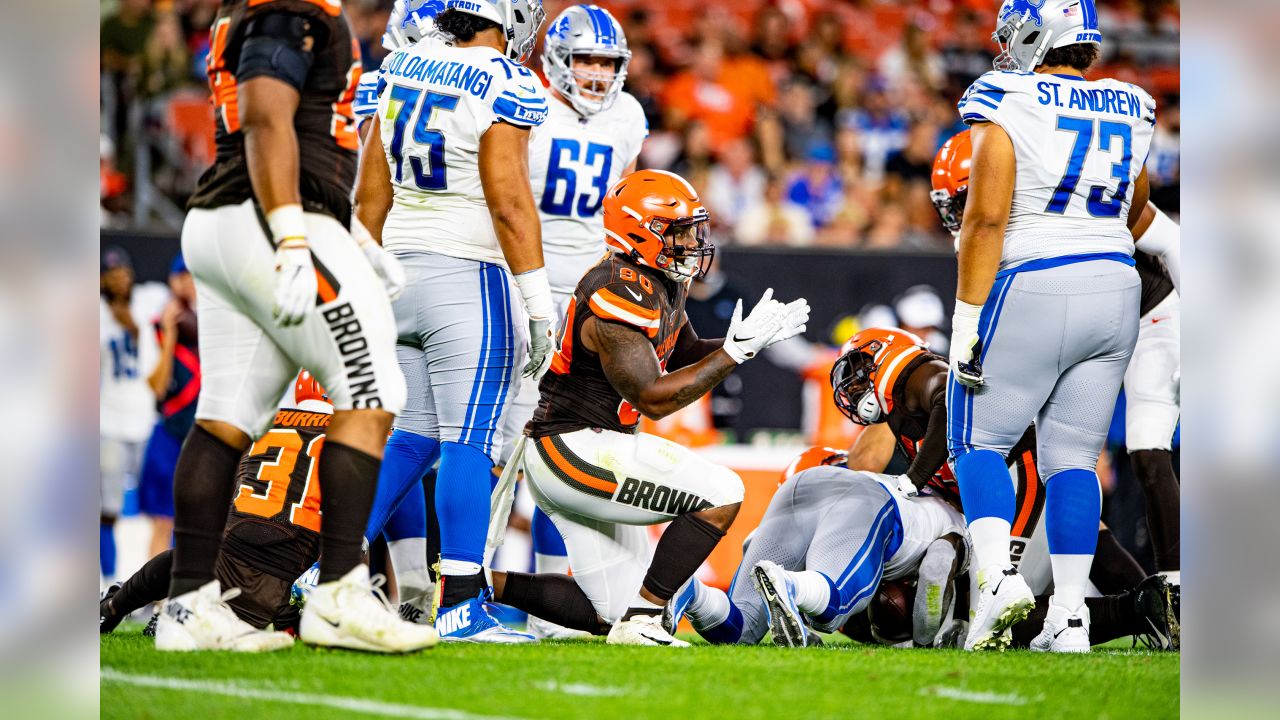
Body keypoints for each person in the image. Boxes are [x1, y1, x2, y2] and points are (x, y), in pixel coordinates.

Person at [162, 0, 432, 654]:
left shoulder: (245, 8)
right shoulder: (290, 3)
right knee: (374, 393)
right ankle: (340, 592)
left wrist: (352, 237)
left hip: (225, 218)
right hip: (273, 218)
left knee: (226, 414)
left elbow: (295, 124)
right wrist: (290, 235)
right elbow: (264, 114)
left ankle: (190, 607)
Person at [512, 169, 809, 646]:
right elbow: (652, 396)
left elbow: (683, 352)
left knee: (609, 608)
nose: (693, 241)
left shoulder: (658, 280)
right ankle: (645, 620)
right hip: (572, 447)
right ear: (639, 231)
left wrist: (742, 341)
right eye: (680, 231)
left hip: (588, 446)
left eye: (694, 228)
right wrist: (736, 353)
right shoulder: (618, 288)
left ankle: (471, 585)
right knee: (722, 492)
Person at [946, 0, 1155, 652]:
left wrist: (965, 319)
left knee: (977, 441)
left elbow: (984, 219)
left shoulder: (1008, 96)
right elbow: (1138, 205)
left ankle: (994, 586)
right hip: (1115, 281)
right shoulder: (1130, 101)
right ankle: (1069, 617)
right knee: (1074, 460)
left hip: (1037, 275)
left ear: (1037, 33)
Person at [353, 0, 551, 643]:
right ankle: (463, 601)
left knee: (410, 435)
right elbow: (509, 199)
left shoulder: (401, 64)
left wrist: (365, 273)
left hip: (394, 272)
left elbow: (370, 193)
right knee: (470, 440)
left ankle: (324, 567)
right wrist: (539, 301)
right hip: (466, 274)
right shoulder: (505, 78)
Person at [932, 127, 1182, 611]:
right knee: (1071, 459)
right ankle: (1126, 607)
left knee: (1144, 451)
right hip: (1096, 329)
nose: (963, 216)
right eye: (956, 205)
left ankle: (1173, 587)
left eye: (967, 198)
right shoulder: (1013, 221)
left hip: (1152, 316)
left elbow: (1172, 239)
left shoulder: (1067, 204)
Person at [829, 328, 1178, 650]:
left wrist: (912, 480)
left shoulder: (930, 376)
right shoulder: (904, 417)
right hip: (1022, 487)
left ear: (889, 355)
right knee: (993, 604)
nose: (854, 387)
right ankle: (1163, 609)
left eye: (860, 371)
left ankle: (1139, 611)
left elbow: (944, 405)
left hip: (1023, 477)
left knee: (996, 617)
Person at [489, 3, 648, 640]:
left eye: (607, 62)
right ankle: (463, 590)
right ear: (556, 58)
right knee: (502, 451)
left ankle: (560, 608)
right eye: (584, 59)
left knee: (567, 452)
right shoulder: (525, 99)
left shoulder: (629, 117)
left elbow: (626, 201)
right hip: (518, 288)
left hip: (588, 302)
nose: (596, 74)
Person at [668, 463, 967, 648]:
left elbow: (752, 542)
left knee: (741, 631)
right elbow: (936, 571)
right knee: (832, 610)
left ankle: (689, 591)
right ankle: (790, 585)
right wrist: (924, 640)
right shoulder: (960, 524)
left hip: (802, 485)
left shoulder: (920, 497)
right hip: (864, 499)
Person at [100, 246, 166, 585]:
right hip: (108, 420)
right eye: (112, 274)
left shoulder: (147, 300)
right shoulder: (95, 314)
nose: (120, 279)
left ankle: (144, 585)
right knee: (107, 508)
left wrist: (137, 328)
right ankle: (106, 579)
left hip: (144, 418)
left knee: (156, 510)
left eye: (123, 272)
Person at [138, 255, 200, 560]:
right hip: (170, 432)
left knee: (197, 523)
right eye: (184, 276)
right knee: (163, 520)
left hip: (200, 437)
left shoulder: (213, 324)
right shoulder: (159, 326)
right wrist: (170, 337)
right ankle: (153, 598)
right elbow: (157, 385)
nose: (191, 283)